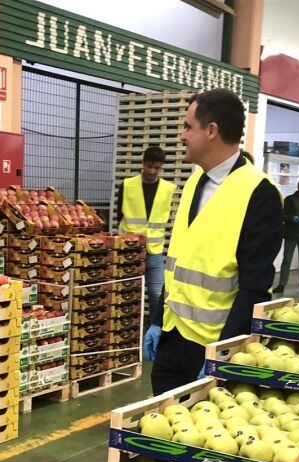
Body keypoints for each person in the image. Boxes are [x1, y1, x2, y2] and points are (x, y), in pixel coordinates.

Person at [142, 89, 282, 396]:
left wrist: (223, 354)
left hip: (210, 344)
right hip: (172, 335)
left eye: (188, 127)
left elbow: (255, 285)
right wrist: (156, 321)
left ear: (212, 130)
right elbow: (179, 261)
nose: (182, 135)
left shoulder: (259, 192)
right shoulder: (194, 181)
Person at [116, 146, 177, 320]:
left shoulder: (168, 189)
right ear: (143, 163)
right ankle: (128, 332)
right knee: (127, 293)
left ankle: (154, 331)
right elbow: (120, 215)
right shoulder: (127, 185)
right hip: (129, 250)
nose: (152, 171)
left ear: (161, 167)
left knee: (157, 294)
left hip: (155, 251)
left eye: (156, 168)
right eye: (149, 166)